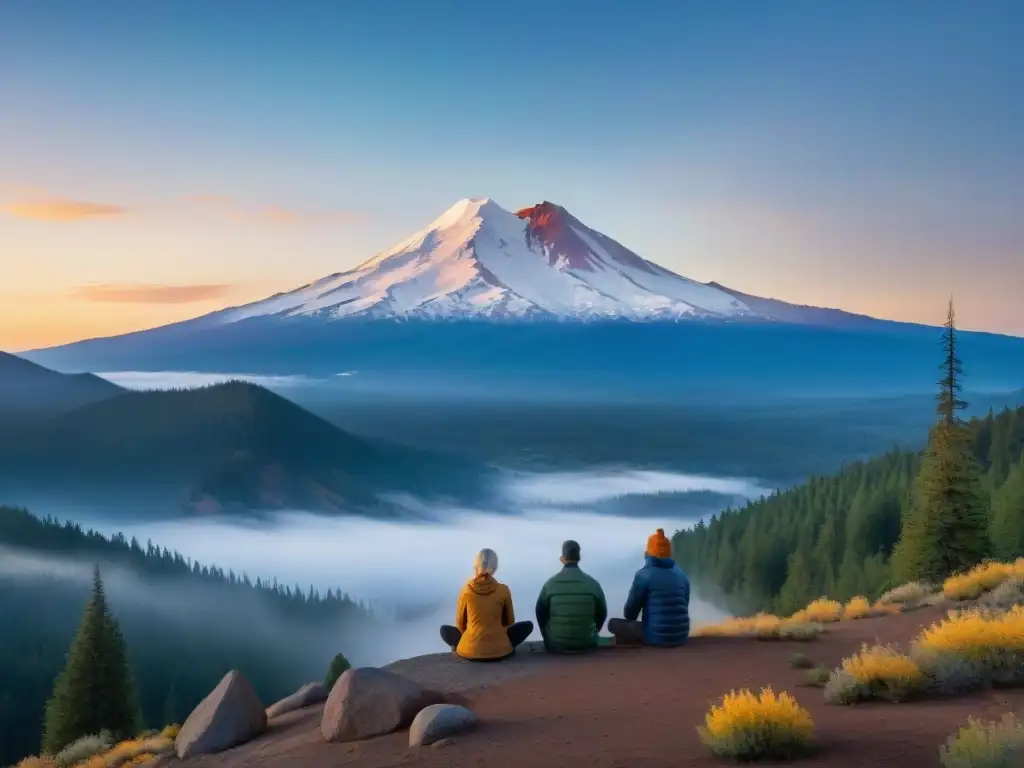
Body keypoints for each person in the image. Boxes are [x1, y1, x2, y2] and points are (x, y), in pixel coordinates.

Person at [440, 548, 534, 661]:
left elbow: (460, 624)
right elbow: (509, 622)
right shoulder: (503, 590)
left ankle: (464, 647)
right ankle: (503, 646)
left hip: (469, 651)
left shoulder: (466, 590)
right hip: (501, 651)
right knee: (527, 625)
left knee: (444, 630)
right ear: (495, 567)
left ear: (476, 565)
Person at [608, 528, 690, 647]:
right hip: (681, 636)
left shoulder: (643, 575)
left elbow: (630, 614)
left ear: (649, 552)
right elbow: (684, 605)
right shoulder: (682, 575)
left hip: (655, 637)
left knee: (613, 624)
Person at [535, 539, 608, 654]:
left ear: (562, 559)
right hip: (587, 643)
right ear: (579, 558)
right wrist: (593, 632)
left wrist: (546, 635)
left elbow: (540, 613)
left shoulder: (550, 584)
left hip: (556, 644)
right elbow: (602, 613)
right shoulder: (593, 584)